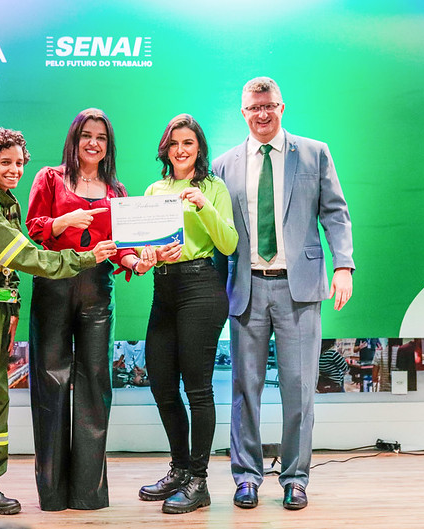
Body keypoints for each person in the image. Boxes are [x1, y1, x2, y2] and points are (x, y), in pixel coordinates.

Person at [0, 127, 117, 521]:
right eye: (6, 162)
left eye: (20, 162)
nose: (15, 169)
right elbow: (27, 255)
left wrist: (13, 305)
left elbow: (6, 266)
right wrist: (84, 258)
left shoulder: (4, 200)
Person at [212, 77, 354, 511]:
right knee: (245, 389)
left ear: (282, 107)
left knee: (298, 387)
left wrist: (344, 264)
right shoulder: (223, 165)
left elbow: (335, 212)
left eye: (269, 106)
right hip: (247, 287)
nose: (262, 114)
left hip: (301, 287)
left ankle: (295, 477)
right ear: (243, 112)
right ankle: (247, 477)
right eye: (254, 107)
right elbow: (216, 233)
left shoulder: (314, 152)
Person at [25, 108, 154, 511]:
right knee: (51, 383)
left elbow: (127, 247)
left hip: (98, 290)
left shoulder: (117, 191)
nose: (93, 143)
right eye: (86, 135)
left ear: (108, 144)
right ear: (74, 139)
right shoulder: (49, 177)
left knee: (96, 386)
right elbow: (33, 227)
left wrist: (137, 262)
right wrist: (65, 221)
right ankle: (52, 493)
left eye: (100, 137)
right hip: (54, 286)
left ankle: (88, 493)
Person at [137, 114, 238, 514]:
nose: (181, 150)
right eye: (175, 143)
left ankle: (200, 480)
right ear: (167, 148)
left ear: (200, 150)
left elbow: (228, 244)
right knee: (162, 386)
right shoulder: (154, 189)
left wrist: (201, 205)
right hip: (163, 288)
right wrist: (145, 255)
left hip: (201, 287)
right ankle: (179, 470)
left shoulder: (213, 188)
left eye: (189, 144)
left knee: (198, 390)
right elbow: (142, 245)